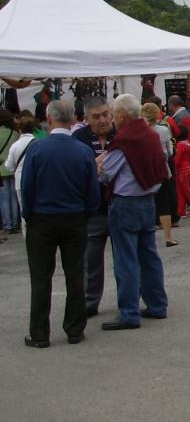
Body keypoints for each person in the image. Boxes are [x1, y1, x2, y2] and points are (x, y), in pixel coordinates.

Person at [20, 100, 99, 347]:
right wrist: (85, 213)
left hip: (42, 219)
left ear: (49, 118)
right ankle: (75, 329)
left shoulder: (37, 149)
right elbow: (92, 192)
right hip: (74, 218)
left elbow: (27, 187)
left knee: (41, 277)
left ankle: (40, 333)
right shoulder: (83, 151)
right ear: (73, 119)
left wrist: (28, 214)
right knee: (75, 274)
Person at [97, 94, 170, 331]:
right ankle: (157, 304)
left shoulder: (125, 140)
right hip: (147, 200)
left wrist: (98, 165)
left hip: (125, 203)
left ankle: (128, 312)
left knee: (125, 259)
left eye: (112, 113)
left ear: (121, 114)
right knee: (149, 255)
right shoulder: (150, 134)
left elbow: (106, 173)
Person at [71, 97, 115, 316]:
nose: (103, 120)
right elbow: (72, 172)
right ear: (86, 119)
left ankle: (129, 300)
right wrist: (91, 165)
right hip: (93, 211)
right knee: (91, 260)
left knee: (125, 258)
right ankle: (90, 303)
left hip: (118, 206)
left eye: (106, 114)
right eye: (96, 117)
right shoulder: (79, 139)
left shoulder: (120, 134)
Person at [140, 102, 177, 247]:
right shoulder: (163, 130)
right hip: (162, 170)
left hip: (145, 172)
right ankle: (168, 237)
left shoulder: (139, 132)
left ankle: (147, 237)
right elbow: (170, 152)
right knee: (164, 204)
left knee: (147, 203)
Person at [3, 116, 37, 233]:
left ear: (20, 129)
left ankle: (28, 236)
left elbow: (9, 166)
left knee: (24, 210)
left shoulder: (15, 146)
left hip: (21, 181)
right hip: (38, 181)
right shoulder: (39, 143)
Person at [0, 109, 20, 235]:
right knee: (14, 196)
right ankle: (14, 223)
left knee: (4, 198)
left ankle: (7, 225)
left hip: (1, 169)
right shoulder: (14, 133)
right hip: (12, 167)